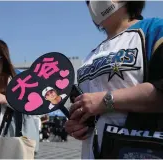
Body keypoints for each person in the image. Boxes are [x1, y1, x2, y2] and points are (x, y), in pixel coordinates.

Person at [65, 1, 163, 159]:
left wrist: (105, 101)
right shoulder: (91, 55)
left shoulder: (155, 30)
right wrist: (78, 124)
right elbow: (89, 107)